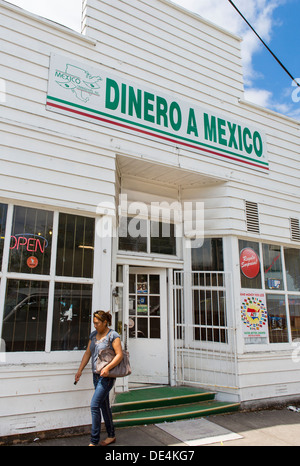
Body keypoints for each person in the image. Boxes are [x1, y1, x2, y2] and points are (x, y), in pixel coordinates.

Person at [75, 310, 123, 446]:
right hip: (96, 375)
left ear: (105, 322)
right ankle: (111, 435)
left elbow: (119, 355)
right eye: (93, 323)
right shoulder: (93, 335)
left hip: (107, 377)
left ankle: (94, 441)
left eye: (97, 323)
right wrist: (80, 370)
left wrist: (107, 368)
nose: (94, 326)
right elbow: (87, 353)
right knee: (104, 406)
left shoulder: (113, 335)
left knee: (94, 405)